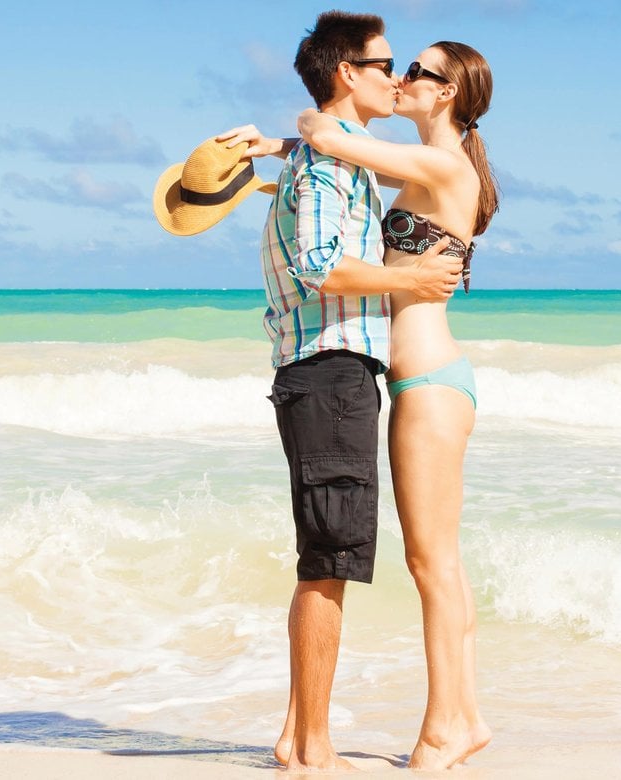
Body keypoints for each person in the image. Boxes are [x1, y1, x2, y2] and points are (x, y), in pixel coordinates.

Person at [216, 12, 464, 772]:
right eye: (384, 63)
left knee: (326, 553)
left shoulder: (336, 161)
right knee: (330, 557)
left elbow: (337, 150)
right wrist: (409, 278)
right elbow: (322, 264)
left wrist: (284, 140)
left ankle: (297, 736)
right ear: (346, 73)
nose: (396, 77)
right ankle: (314, 747)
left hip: (326, 371)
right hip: (331, 368)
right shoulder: (327, 170)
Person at [293, 40, 499, 771]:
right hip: (425, 381)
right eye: (401, 69)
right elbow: (340, 158)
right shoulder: (427, 164)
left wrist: (303, 126)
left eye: (418, 72)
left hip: (431, 381)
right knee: (436, 562)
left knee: (431, 562)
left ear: (446, 94)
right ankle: (463, 717)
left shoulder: (445, 165)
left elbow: (330, 135)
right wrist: (278, 155)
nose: (403, 80)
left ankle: (449, 724)